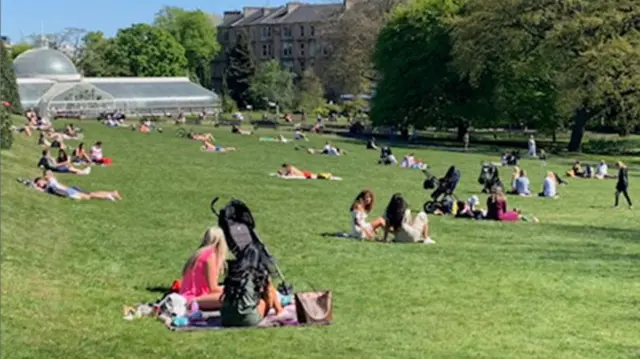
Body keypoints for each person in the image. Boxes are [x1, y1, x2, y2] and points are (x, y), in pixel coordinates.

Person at [179, 227, 228, 310]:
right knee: (229, 298)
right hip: (194, 297)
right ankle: (192, 303)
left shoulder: (198, 253)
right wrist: (229, 288)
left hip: (186, 294)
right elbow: (213, 288)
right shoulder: (210, 256)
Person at [34, 170, 120, 200]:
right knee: (91, 195)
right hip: (70, 191)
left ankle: (110, 194)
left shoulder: (50, 181)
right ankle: (111, 194)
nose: (40, 184)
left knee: (91, 196)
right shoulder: (51, 182)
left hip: (70, 192)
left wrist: (36, 185)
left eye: (40, 182)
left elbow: (48, 176)